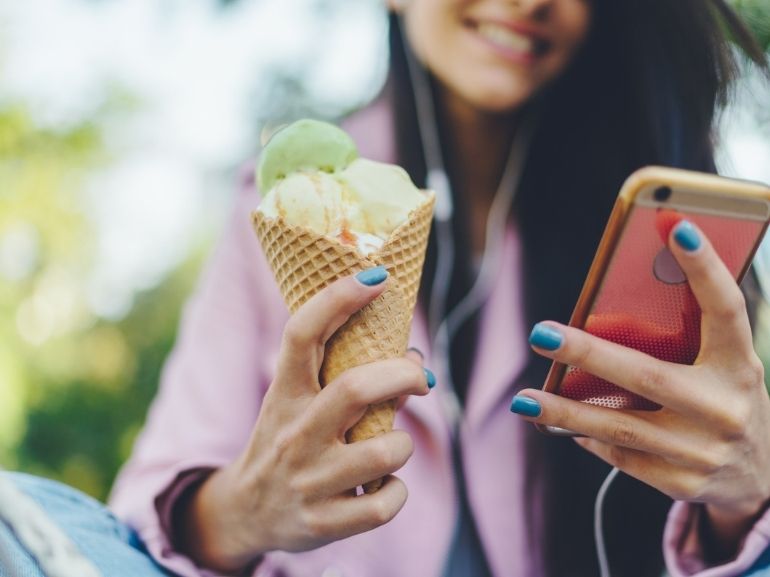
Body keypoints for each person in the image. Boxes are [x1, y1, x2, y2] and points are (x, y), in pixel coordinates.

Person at [3, 1, 770, 576]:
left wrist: (747, 499)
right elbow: (139, 515)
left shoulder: (638, 220)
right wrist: (247, 508)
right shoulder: (276, 207)